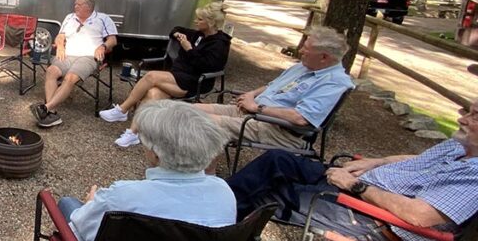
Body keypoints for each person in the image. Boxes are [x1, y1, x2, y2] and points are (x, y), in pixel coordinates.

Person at [226, 98, 478, 241]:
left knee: (267, 194)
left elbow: (419, 216)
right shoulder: (461, 147)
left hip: (374, 219)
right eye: (468, 111)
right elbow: (415, 161)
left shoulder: (474, 176)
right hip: (358, 187)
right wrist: (376, 163)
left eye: (474, 115)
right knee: (278, 159)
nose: (462, 119)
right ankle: (213, 213)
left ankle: (211, 239)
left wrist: (356, 186)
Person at [56, 101, 235, 241]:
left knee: (68, 205)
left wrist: (92, 204)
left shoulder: (123, 197)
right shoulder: (224, 192)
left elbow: (82, 226)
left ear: (156, 154)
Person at [133, 26, 352, 152]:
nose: (300, 51)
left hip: (276, 128)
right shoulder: (302, 67)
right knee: (188, 110)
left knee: (201, 123)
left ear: (325, 57)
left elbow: (301, 118)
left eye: (307, 50)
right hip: (251, 110)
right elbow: (271, 86)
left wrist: (258, 107)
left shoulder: (333, 82)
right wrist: (252, 94)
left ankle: (198, 176)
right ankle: (178, 161)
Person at [100, 2, 231, 148]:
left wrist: (189, 49)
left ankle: (122, 110)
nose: (196, 21)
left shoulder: (220, 44)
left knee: (151, 76)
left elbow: (208, 67)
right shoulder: (199, 34)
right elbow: (175, 29)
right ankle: (133, 133)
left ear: (211, 22)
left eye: (200, 19)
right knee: (153, 93)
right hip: (179, 76)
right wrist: (177, 34)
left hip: (196, 82)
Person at [31, 0, 118, 128]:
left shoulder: (103, 19)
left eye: (79, 4)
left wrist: (103, 46)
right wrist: (60, 45)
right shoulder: (70, 17)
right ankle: (51, 112)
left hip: (88, 57)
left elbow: (113, 40)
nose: (75, 6)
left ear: (89, 7)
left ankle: (46, 109)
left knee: (70, 78)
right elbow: (60, 36)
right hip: (68, 55)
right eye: (75, 4)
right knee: (51, 71)